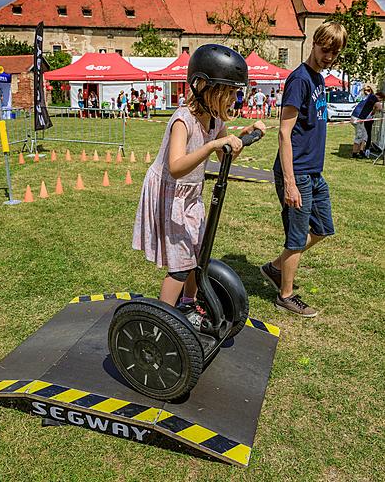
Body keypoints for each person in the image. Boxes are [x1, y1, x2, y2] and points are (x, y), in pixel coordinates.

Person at [132, 44, 265, 327]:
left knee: (197, 255)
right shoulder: (183, 120)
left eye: (234, 92)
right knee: (180, 267)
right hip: (171, 195)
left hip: (191, 196)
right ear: (203, 86)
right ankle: (162, 321)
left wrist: (243, 135)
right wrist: (215, 143)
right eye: (227, 92)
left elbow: (223, 152)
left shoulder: (214, 118)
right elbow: (176, 166)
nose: (232, 99)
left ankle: (189, 304)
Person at [260, 21, 348, 317]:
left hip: (314, 172)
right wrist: (290, 183)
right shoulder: (299, 80)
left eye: (335, 53)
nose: (329, 57)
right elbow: (284, 133)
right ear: (315, 43)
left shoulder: (320, 80)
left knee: (323, 228)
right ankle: (285, 295)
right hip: (296, 172)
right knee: (297, 237)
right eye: (326, 50)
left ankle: (275, 267)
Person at [350, 86, 385, 158]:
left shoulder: (370, 97)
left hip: (359, 118)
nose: (380, 101)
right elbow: (379, 107)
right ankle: (354, 153)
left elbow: (374, 108)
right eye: (381, 100)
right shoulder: (374, 97)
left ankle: (361, 151)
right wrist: (382, 111)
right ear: (379, 97)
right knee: (359, 136)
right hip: (357, 118)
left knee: (365, 135)